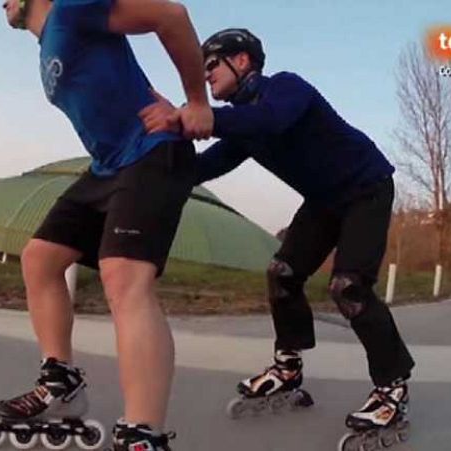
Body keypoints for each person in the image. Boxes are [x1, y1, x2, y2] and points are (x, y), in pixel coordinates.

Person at [140, 28, 415, 435]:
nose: (205, 77)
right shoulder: (243, 127)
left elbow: (269, 121)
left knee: (348, 287)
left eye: (211, 65)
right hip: (324, 201)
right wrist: (158, 155)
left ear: (243, 60)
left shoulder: (286, 89)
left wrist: (199, 118)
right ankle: (288, 367)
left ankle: (392, 387)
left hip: (366, 189)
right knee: (282, 274)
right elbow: (201, 169)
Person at [0, 1, 212, 450]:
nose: (0, 3)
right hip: (109, 167)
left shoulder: (72, 9)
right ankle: (61, 382)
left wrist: (195, 101)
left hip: (152, 152)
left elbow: (170, 15)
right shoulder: (46, 46)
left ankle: (142, 434)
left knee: (123, 276)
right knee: (40, 258)